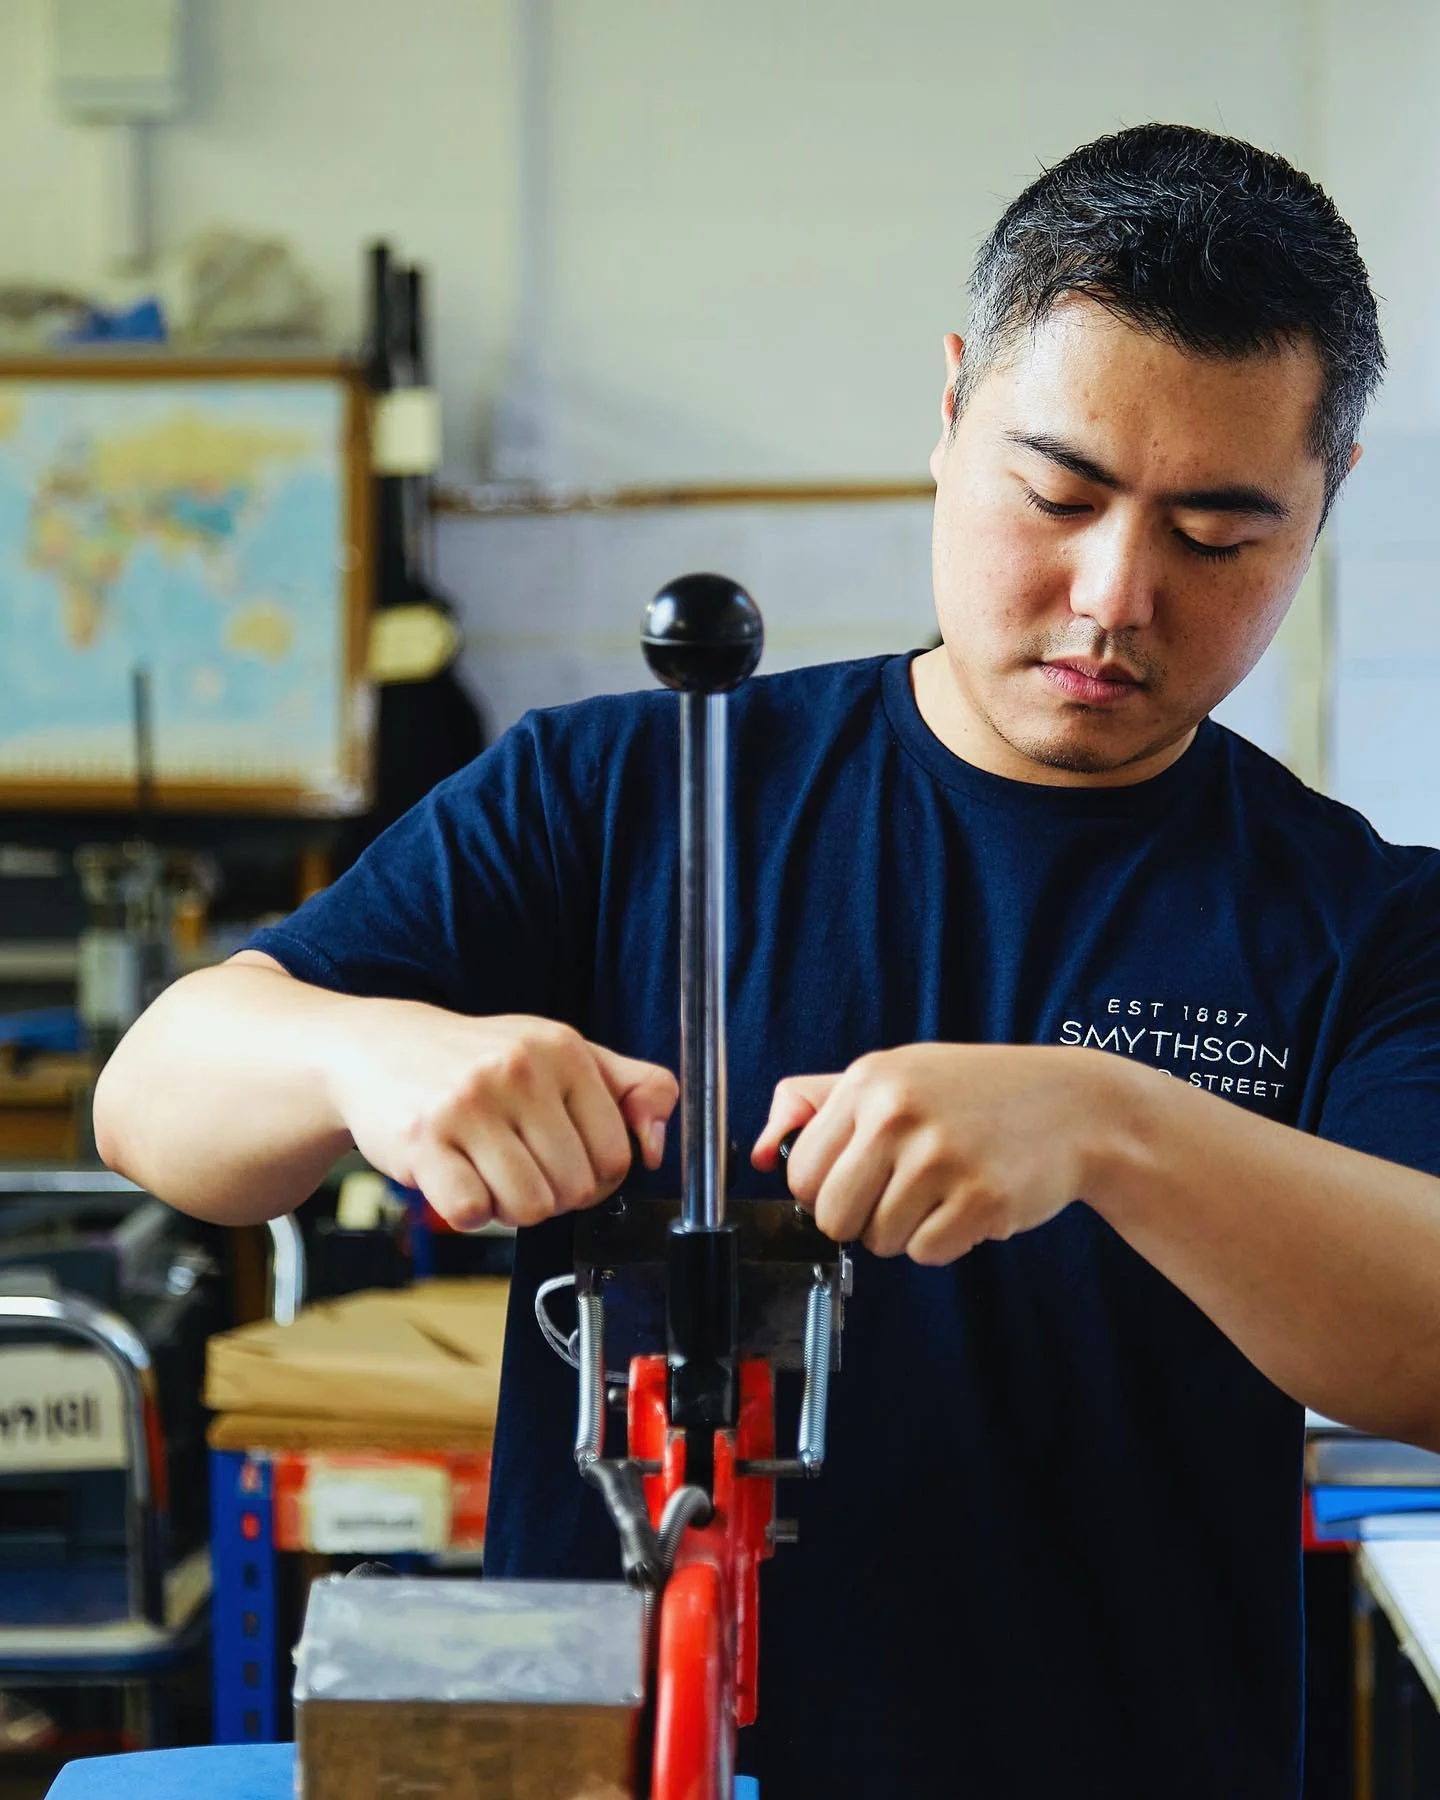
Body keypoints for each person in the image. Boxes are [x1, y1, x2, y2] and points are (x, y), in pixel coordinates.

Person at [96, 123, 1440, 1798]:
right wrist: (362, 1059)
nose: (1115, 595)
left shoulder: (1363, 919)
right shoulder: (615, 794)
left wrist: (1118, 1130)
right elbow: (159, 1099)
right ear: (951, 409)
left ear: (1328, 502)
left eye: (1220, 535)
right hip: (611, 1753)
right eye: (1062, 493)